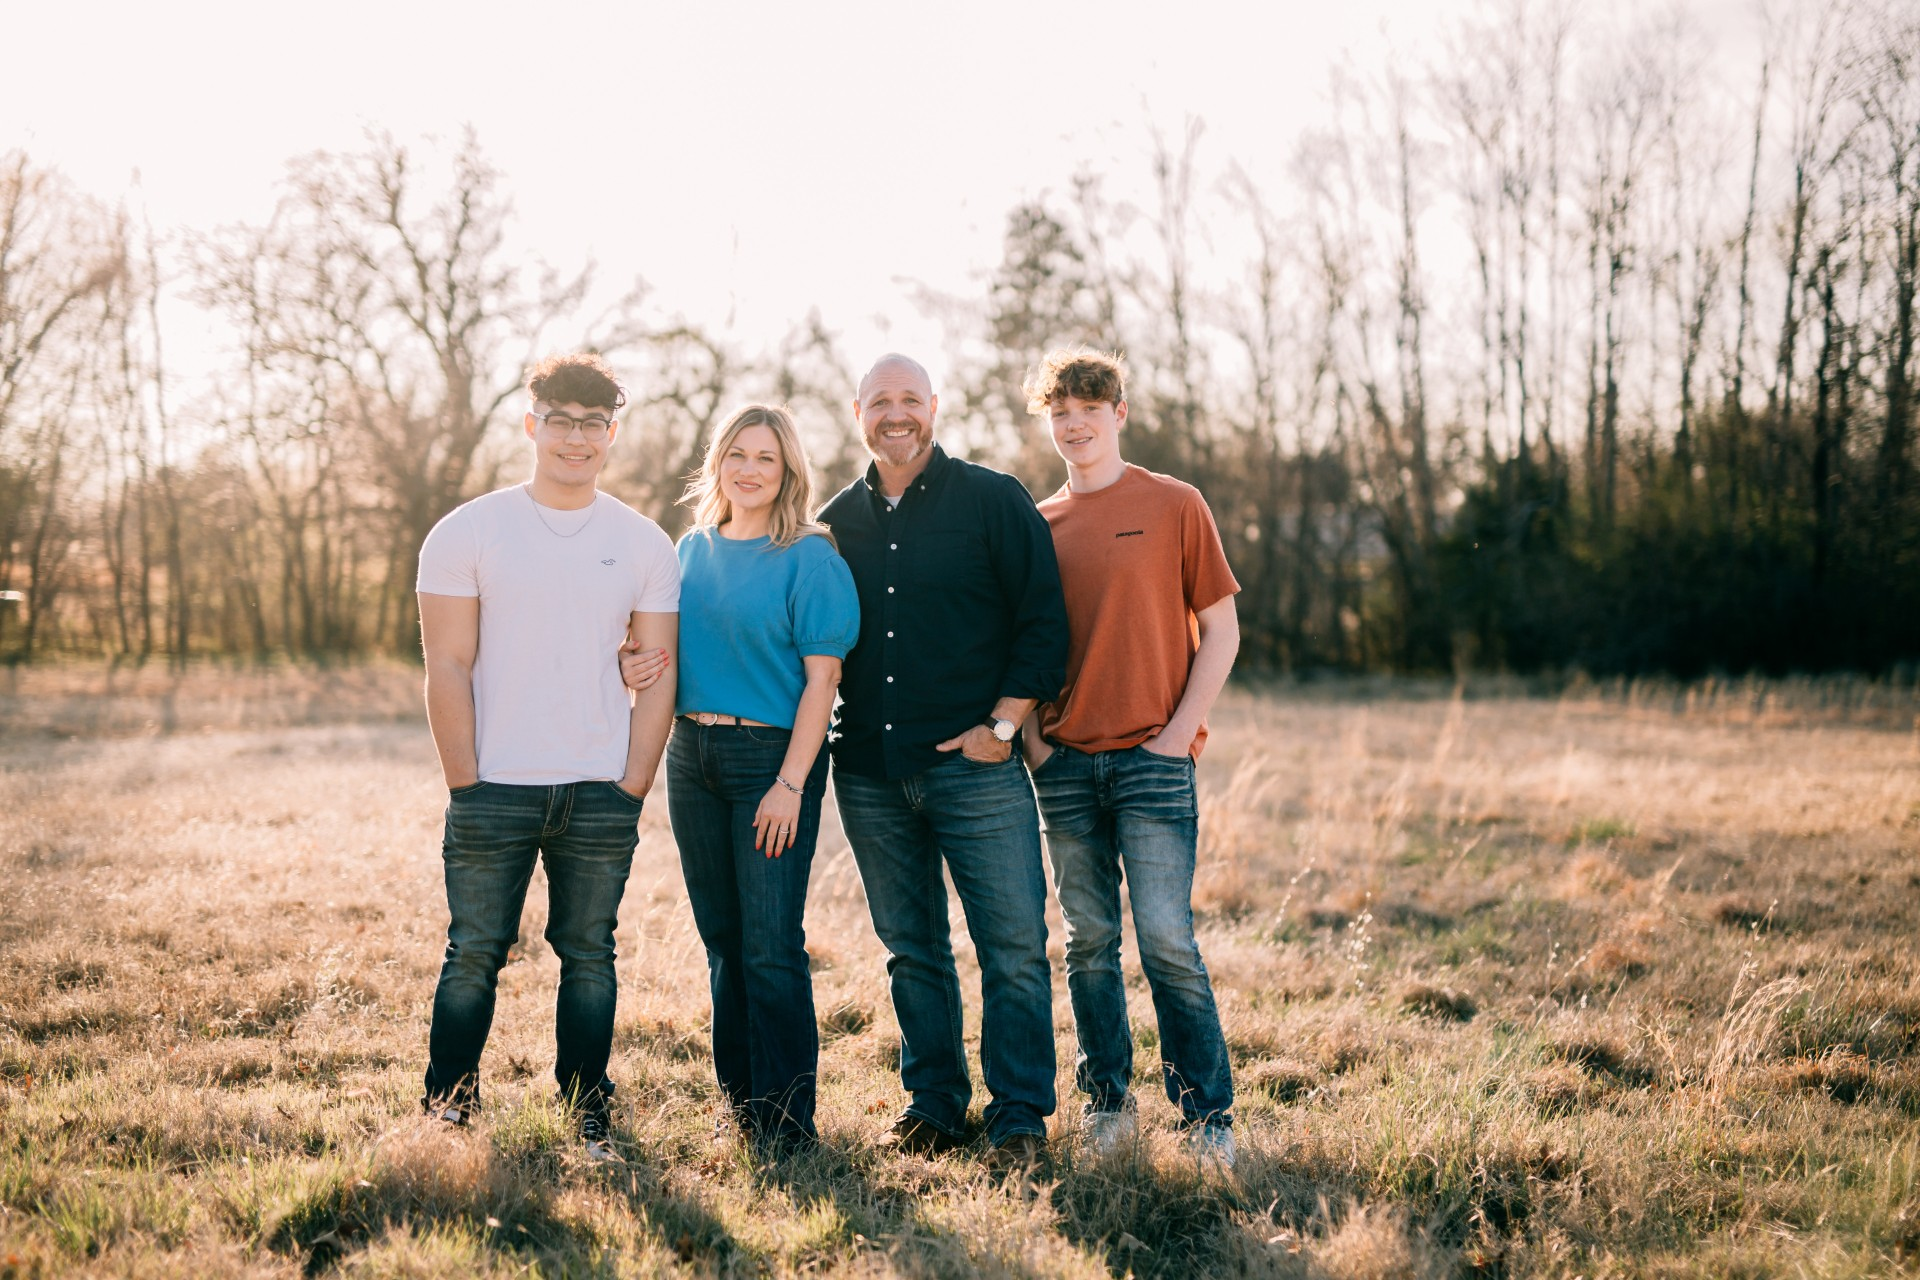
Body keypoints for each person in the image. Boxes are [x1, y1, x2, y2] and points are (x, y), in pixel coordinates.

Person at [415, 352, 678, 1163]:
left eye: (592, 424)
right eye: (559, 421)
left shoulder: (643, 542)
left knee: (589, 953)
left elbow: (659, 669)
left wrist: (633, 781)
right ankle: (450, 1104)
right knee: (474, 951)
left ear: (611, 435)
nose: (575, 438)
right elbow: (447, 666)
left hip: (599, 789)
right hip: (494, 786)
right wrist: (467, 780)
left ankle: (586, 1109)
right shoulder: (468, 531)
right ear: (532, 426)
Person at [817, 353, 1069, 1172]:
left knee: (1013, 945)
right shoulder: (831, 523)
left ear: (935, 407)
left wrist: (1002, 727)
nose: (897, 414)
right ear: (858, 412)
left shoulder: (994, 500)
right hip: (867, 771)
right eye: (880, 401)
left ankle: (1020, 1112)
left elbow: (1043, 624)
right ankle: (932, 1103)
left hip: (977, 765)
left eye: (910, 400)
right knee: (911, 947)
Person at [1020, 348, 1242, 1172]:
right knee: (1087, 943)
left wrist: (1178, 735)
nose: (1074, 423)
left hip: (1155, 760)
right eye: (1060, 411)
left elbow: (1221, 631)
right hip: (1067, 765)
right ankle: (1107, 1104)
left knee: (1166, 941)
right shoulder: (1037, 526)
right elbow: (1026, 651)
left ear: (1119, 413)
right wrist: (1040, 750)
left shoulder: (1176, 504)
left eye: (1090, 407)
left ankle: (1207, 1116)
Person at [620, 404, 858, 1154]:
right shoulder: (688, 551)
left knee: (770, 945)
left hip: (770, 761)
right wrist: (631, 663)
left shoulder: (811, 557)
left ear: (787, 471)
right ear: (717, 463)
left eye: (767, 457)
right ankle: (742, 1108)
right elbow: (657, 653)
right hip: (693, 758)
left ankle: (789, 1126)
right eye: (738, 455)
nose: (750, 469)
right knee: (722, 940)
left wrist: (790, 785)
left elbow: (823, 685)